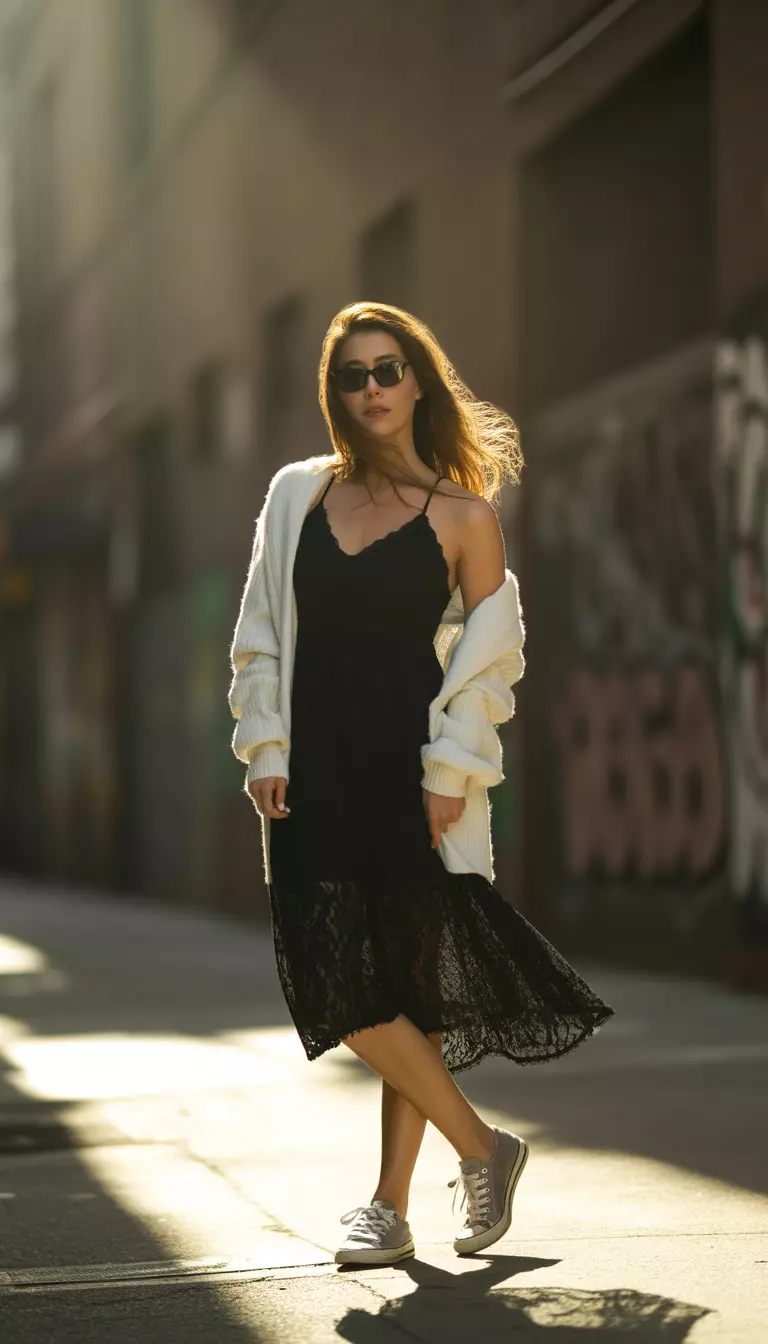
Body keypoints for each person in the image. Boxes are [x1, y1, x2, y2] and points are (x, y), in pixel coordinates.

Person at [228, 301, 614, 1266]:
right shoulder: (296, 499)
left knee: (403, 987)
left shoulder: (464, 516)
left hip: (408, 774)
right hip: (313, 771)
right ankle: (485, 1146)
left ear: (419, 381)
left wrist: (450, 774)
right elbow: (260, 639)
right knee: (331, 985)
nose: (372, 390)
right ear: (336, 395)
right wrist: (266, 751)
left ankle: (388, 1205)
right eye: (353, 376)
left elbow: (490, 664)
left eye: (388, 369)